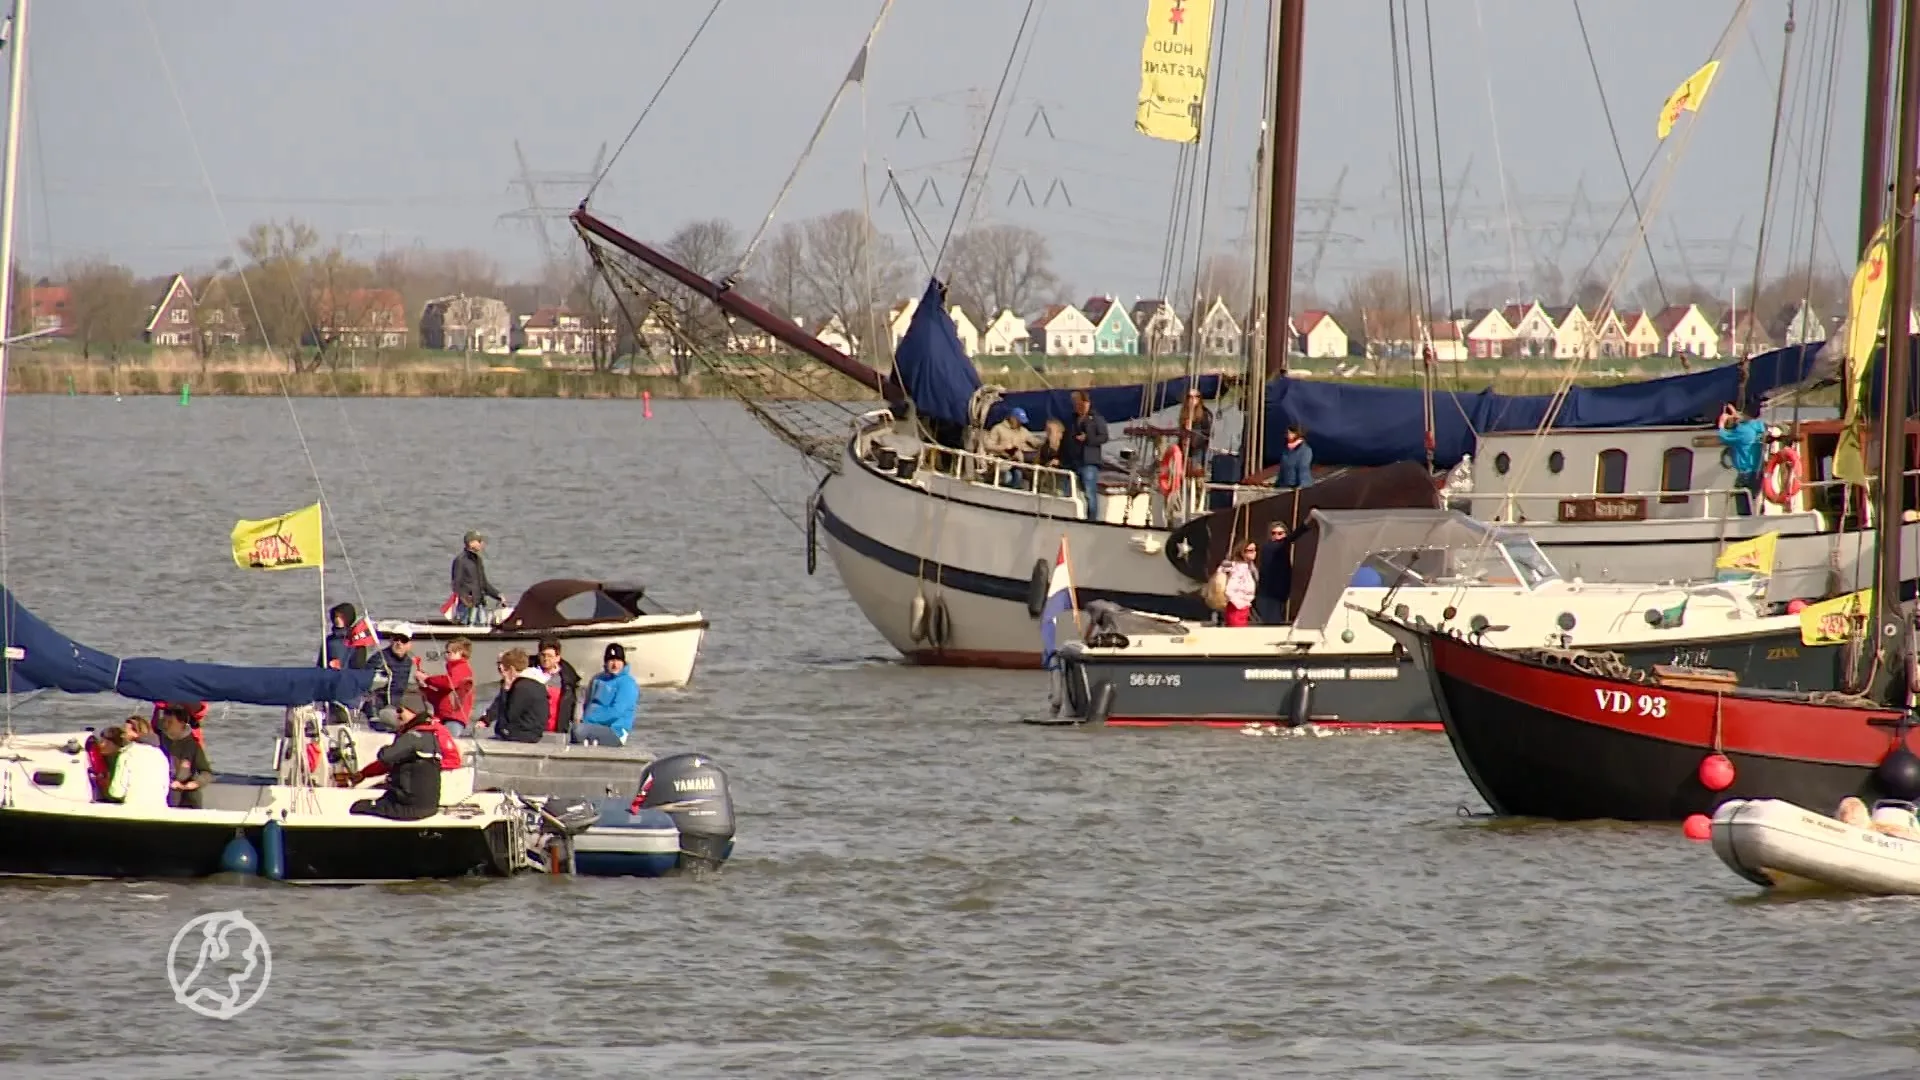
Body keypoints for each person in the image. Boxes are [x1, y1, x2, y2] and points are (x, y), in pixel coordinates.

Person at [347, 691, 447, 821]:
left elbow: (386, 757)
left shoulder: (413, 737)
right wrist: (364, 774)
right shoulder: (430, 737)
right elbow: (389, 763)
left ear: (413, 712)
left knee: (358, 807)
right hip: (428, 807)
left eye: (400, 710)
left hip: (408, 807)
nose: (397, 715)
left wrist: (385, 748)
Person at [571, 643, 640, 746]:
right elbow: (587, 703)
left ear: (623, 662)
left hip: (616, 731)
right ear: (605, 662)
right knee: (572, 729)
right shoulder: (597, 679)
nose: (615, 664)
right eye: (611, 660)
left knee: (579, 731)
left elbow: (616, 712)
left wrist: (588, 719)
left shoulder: (627, 683)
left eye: (618, 660)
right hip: (592, 726)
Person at [1063, 389, 1110, 519]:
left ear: (1086, 403)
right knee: (1067, 491)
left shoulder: (1096, 419)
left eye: (1078, 403)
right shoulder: (1072, 420)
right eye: (1075, 403)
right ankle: (1068, 515)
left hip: (1088, 461)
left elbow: (1104, 437)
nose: (1076, 406)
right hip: (1071, 462)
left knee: (1090, 492)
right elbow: (1065, 439)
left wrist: (1088, 438)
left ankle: (1092, 518)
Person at [157, 705, 213, 810]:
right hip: (161, 791)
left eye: (170, 722)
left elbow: (206, 773)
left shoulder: (192, 745)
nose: (165, 725)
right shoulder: (158, 740)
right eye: (164, 721)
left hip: (185, 796)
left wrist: (195, 783)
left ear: (182, 723)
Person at [101, 724, 172, 808]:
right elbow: (165, 790)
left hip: (132, 809)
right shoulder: (160, 754)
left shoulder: (126, 755)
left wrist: (104, 783)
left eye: (124, 733)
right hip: (159, 807)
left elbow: (116, 792)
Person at [491, 648, 550, 744]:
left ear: (511, 669)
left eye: (505, 669)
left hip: (521, 736)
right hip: (534, 734)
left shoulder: (521, 686)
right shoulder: (538, 683)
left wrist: (505, 689)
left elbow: (508, 716)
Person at [1717, 404, 1768, 514]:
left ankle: (1744, 523)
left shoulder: (1742, 431)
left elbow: (1723, 437)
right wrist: (1736, 416)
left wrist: (1721, 422)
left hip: (1746, 474)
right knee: (1753, 499)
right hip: (1758, 473)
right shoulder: (1760, 426)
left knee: (1742, 502)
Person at [420, 637, 476, 737]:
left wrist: (428, 679)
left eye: (449, 652)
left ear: (460, 652)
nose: (446, 655)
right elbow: (441, 696)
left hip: (454, 719)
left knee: (447, 744)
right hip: (445, 718)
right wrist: (425, 688)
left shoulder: (462, 668)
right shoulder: (454, 670)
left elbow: (449, 683)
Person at [449, 531, 503, 626]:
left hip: (479, 605)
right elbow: (456, 584)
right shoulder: (460, 560)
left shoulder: (478, 560)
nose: (482, 544)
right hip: (466, 608)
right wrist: (466, 599)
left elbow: (484, 584)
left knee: (482, 627)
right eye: (479, 541)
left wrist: (498, 595)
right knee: (467, 629)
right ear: (471, 543)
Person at [366, 629, 417, 723]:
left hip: (395, 706)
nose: (399, 643)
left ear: (409, 644)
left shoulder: (408, 661)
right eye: (396, 639)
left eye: (403, 640)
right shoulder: (380, 658)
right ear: (391, 640)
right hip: (377, 706)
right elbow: (366, 683)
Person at [981, 408, 1039, 487]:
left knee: (1020, 474)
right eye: (1018, 421)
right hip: (1001, 460)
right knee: (1008, 476)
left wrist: (1042, 443)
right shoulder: (998, 428)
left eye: (1021, 422)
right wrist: (1002, 447)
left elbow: (1033, 440)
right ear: (1012, 418)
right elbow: (988, 445)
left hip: (1017, 461)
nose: (1020, 423)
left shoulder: (1023, 431)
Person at [537, 637, 582, 736]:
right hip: (535, 731)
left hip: (559, 732)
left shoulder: (567, 680)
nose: (545, 659)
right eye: (543, 655)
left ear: (558, 657)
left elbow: (574, 706)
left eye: (550, 656)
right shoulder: (531, 674)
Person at [1253, 521, 1295, 625]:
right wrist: (1306, 523)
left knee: (1273, 622)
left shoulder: (1282, 549)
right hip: (1268, 595)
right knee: (1272, 624)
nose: (1277, 536)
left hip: (1279, 595)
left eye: (1280, 533)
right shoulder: (1269, 547)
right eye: (1273, 533)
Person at [319, 603, 375, 671]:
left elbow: (358, 666)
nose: (337, 619)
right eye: (335, 616)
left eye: (341, 617)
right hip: (329, 677)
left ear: (348, 618)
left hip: (347, 677)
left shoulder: (356, 640)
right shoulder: (329, 639)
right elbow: (320, 663)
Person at [1221, 541, 1261, 628]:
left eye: (1255, 550)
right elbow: (1230, 589)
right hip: (1237, 609)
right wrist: (1240, 604)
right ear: (1242, 552)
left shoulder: (1248, 567)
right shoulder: (1240, 568)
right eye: (1250, 550)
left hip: (1243, 608)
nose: (1254, 553)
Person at [1178, 388, 1214, 470]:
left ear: (1199, 399)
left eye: (1196, 397)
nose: (1193, 399)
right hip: (1185, 446)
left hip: (1198, 447)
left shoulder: (1205, 413)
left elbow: (1206, 433)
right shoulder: (1185, 413)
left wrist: (1192, 430)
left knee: (1195, 470)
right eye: (1190, 397)